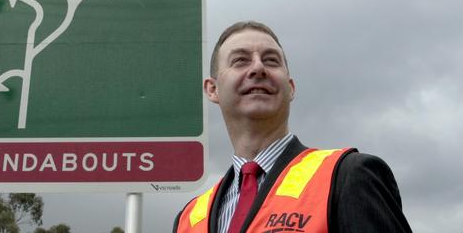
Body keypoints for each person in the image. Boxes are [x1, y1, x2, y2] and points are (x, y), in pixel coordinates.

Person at [174, 21, 411, 233]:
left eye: (271, 60)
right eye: (240, 61)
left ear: (291, 88)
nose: (258, 68)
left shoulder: (347, 175)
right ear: (212, 89)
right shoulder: (189, 219)